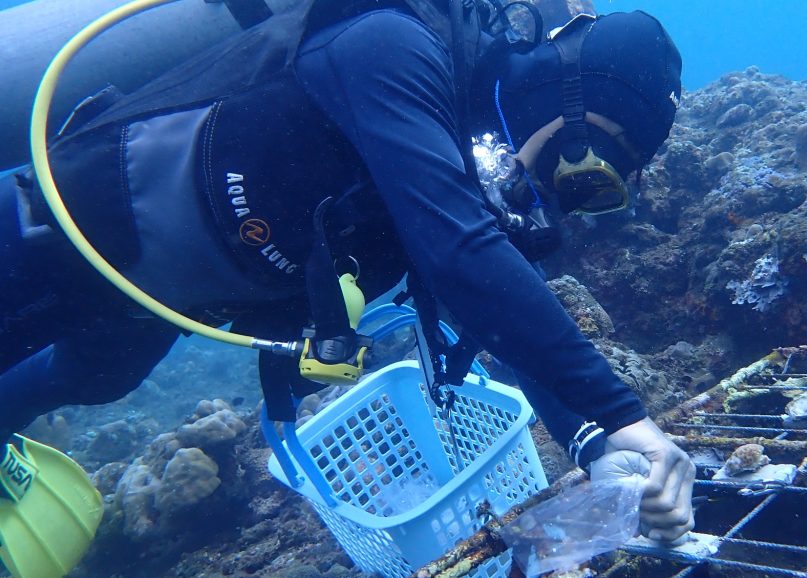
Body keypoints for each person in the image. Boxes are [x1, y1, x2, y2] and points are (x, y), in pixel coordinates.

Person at [0, 0, 693, 569]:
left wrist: (600, 442)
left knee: (84, 380)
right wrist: (626, 412)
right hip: (57, 234)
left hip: (167, 290)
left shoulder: (456, 149)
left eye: (600, 195)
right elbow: (463, 255)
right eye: (588, 168)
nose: (566, 195)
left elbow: (500, 318)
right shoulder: (390, 44)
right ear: (565, 94)